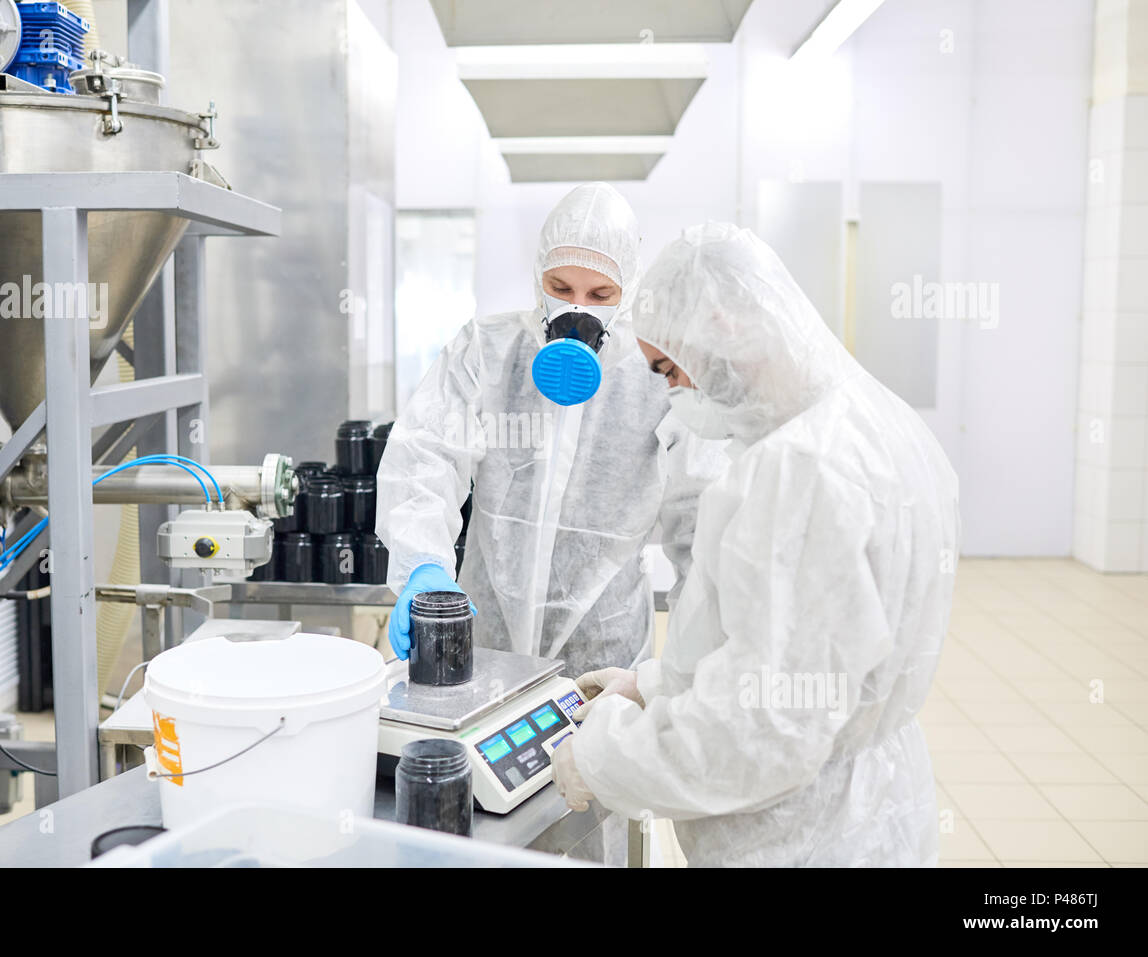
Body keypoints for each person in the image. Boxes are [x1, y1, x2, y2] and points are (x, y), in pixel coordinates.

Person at [551, 222, 959, 867]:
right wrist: (658, 686)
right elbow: (807, 655)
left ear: (722, 327)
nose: (674, 392)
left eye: (668, 369)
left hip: (801, 836)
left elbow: (760, 731)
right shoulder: (880, 419)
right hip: (875, 802)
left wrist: (602, 758)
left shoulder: (799, 470)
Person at [377, 182, 726, 679]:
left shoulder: (658, 373)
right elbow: (425, 457)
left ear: (627, 292)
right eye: (560, 289)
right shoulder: (488, 350)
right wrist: (424, 564)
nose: (577, 309)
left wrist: (690, 670)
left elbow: (700, 524)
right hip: (487, 647)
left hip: (606, 662)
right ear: (537, 277)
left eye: (600, 295)